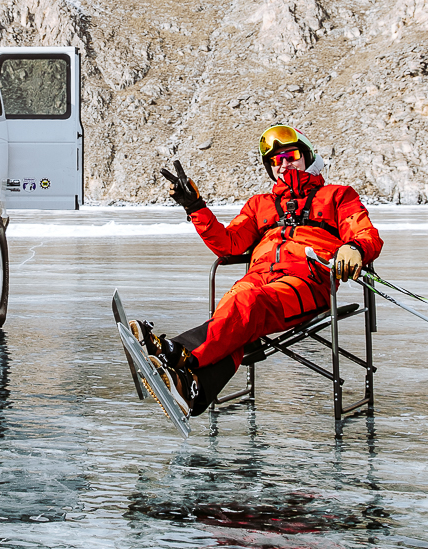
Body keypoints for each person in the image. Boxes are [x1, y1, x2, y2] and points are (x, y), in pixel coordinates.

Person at [131, 124, 382, 418]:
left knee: (246, 304)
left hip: (306, 282)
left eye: (290, 156)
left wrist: (354, 248)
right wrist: (196, 207)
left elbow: (365, 233)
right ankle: (190, 389)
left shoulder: (337, 196)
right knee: (234, 314)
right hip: (257, 279)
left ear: (308, 156)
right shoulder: (259, 205)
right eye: (275, 160)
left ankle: (174, 351)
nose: (284, 164)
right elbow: (229, 244)